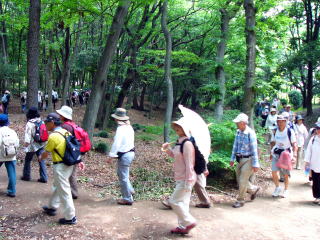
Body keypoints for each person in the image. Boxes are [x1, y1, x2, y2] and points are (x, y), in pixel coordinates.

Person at [40, 113, 84, 225]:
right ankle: (52, 206)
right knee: (58, 185)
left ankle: (70, 217)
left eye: (47, 123)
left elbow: (46, 153)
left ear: (52, 123)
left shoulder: (54, 136)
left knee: (64, 190)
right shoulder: (66, 132)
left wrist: (40, 158)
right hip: (69, 164)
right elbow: (73, 147)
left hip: (61, 166)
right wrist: (79, 161)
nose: (45, 125)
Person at [162, 117, 197, 234]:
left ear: (185, 129)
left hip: (186, 178)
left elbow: (189, 163)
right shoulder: (179, 142)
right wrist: (167, 149)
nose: (177, 128)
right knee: (183, 203)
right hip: (180, 177)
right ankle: (183, 227)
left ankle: (189, 221)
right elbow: (175, 156)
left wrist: (189, 181)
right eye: (176, 126)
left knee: (174, 201)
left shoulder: (187, 144)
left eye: (180, 127)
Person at [230, 113, 260, 208]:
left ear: (243, 123)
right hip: (240, 159)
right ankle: (253, 189)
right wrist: (232, 158)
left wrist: (255, 164)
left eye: (238, 123)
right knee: (239, 179)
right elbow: (235, 146)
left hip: (249, 159)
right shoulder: (238, 132)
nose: (236, 124)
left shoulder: (251, 134)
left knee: (243, 179)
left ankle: (240, 200)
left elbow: (254, 149)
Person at [107, 108, 135, 205]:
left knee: (123, 176)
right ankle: (130, 190)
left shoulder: (121, 129)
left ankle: (127, 198)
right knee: (121, 173)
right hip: (130, 153)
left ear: (117, 118)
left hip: (125, 155)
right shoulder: (129, 127)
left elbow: (117, 144)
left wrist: (111, 156)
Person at [56, 105, 81, 199]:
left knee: (67, 173)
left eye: (60, 114)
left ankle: (71, 193)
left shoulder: (65, 127)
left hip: (69, 154)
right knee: (72, 173)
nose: (58, 115)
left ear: (63, 115)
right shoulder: (72, 125)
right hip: (75, 152)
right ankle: (73, 192)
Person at [270, 115, 297, 198]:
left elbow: (294, 144)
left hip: (286, 154)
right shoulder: (275, 131)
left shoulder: (289, 131)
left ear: (285, 122)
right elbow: (273, 142)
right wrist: (271, 153)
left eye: (282, 121)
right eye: (278, 121)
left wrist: (295, 155)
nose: (280, 123)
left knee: (285, 174)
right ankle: (277, 188)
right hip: (276, 153)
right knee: (274, 172)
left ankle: (286, 190)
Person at [21, 107, 48, 183]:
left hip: (32, 145)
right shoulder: (41, 121)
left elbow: (27, 137)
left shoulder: (29, 123)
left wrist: (26, 146)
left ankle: (26, 176)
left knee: (27, 160)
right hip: (41, 143)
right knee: (41, 160)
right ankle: (44, 177)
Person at [0, 114, 19, 197]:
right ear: (7, 122)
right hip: (11, 154)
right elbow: (17, 143)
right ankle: (12, 191)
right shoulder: (12, 131)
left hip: (0, 154)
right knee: (12, 173)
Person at [304, 122, 320, 205]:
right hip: (314, 165)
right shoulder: (313, 139)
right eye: (317, 129)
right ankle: (317, 196)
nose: (318, 131)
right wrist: (307, 162)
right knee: (316, 181)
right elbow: (309, 151)